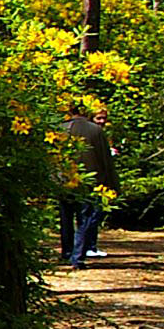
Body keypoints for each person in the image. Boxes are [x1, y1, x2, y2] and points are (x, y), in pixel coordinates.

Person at [63, 106, 119, 268]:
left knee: (66, 217)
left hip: (64, 181)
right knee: (84, 218)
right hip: (88, 181)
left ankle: (67, 252)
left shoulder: (60, 129)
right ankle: (77, 257)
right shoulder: (95, 131)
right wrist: (112, 183)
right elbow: (105, 160)